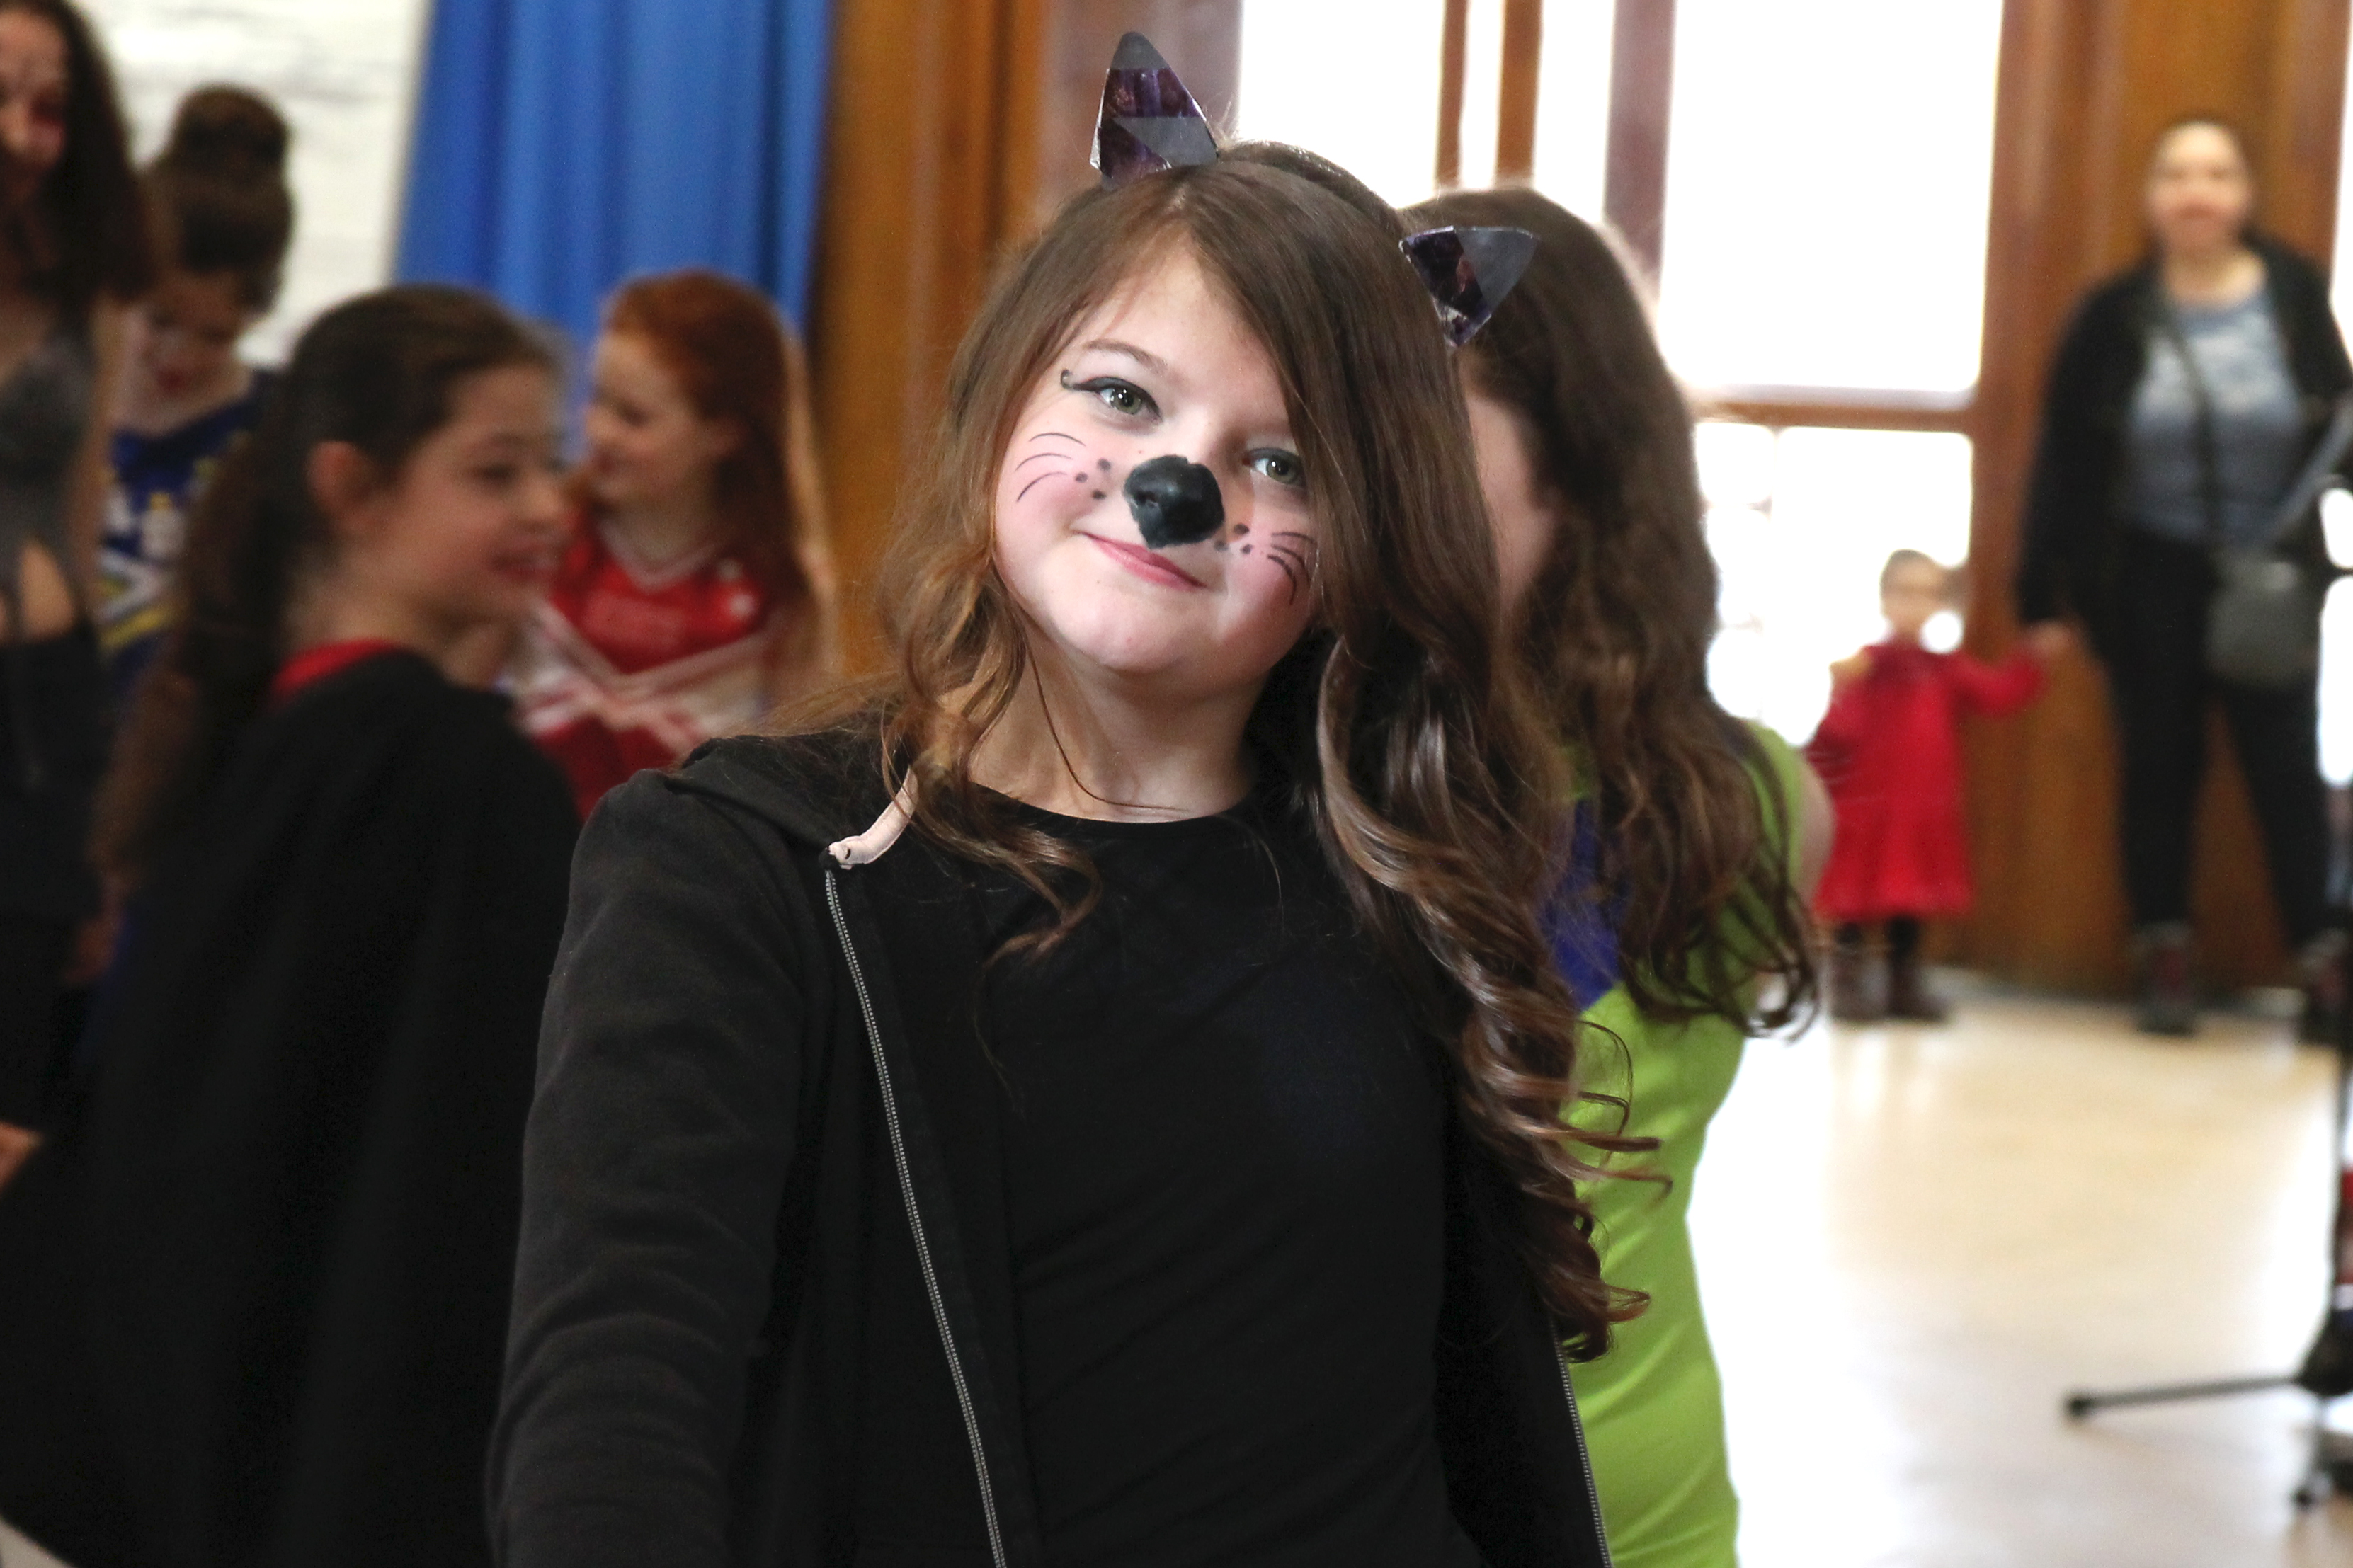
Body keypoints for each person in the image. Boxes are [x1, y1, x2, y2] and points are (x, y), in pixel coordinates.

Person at [491, 64, 1624, 1567]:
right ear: (1002, 394)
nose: (1177, 487)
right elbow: (615, 1398)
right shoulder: (745, 875)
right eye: (1122, 395)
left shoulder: (1396, 876)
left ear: (1357, 543)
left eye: (1279, 462)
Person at [0, 285, 578, 1568]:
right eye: (496, 472)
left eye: (551, 463)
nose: (548, 506)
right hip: (289, 1448)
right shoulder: (448, 778)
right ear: (352, 489)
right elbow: (433, 1195)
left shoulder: (278, 745)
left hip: (138, 1427)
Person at [1411, 184, 1823, 1568]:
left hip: (1631, 1520)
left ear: (1577, 464)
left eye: (1418, 434)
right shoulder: (1275, 779)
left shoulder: (1752, 804)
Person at [2017, 115, 2349, 1037]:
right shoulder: (2111, 313)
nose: (2195, 192)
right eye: (2175, 173)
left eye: (2214, 172)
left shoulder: (2291, 293)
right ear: (2150, 196)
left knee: (2284, 771)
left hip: (2269, 576)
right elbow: (2062, 459)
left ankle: (2321, 963)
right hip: (2144, 574)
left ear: (2243, 193)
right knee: (2157, 766)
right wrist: (2039, 593)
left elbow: (2334, 423)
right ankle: (2162, 953)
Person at [0, 0, 150, 1189]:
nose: (21, 133)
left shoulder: (89, 285)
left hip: (38, 725)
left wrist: (102, 821)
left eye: (49, 107)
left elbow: (87, 510)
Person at [514, 268, 831, 818]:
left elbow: (807, 767)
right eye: (597, 398)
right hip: (527, 837)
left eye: (632, 417)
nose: (599, 431)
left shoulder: (778, 582)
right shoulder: (547, 533)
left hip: (671, 857)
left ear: (723, 433)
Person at [101, 84, 293, 704]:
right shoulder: (59, 403)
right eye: (158, 321)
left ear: (256, 316)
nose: (178, 358)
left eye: (216, 336)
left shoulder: (277, 428)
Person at [1809, 549, 2045, 1022]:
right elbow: (1834, 738)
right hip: (1869, 808)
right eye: (1905, 592)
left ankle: (1904, 984)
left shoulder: (1946, 669)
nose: (1915, 605)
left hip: (1923, 811)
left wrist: (2033, 658)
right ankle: (1848, 983)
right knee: (1854, 901)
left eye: (1928, 594)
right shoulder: (1865, 668)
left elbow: (1999, 694)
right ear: (1884, 599)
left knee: (1910, 903)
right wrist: (1841, 690)